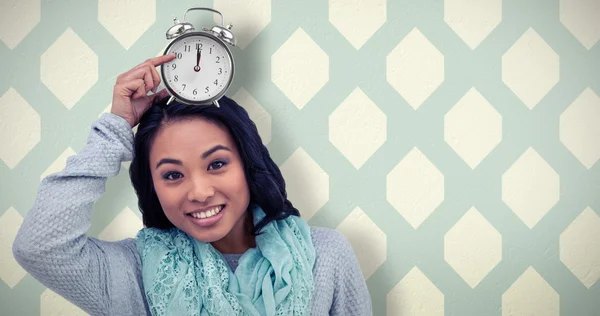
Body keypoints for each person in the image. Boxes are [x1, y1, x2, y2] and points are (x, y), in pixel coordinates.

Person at [12, 55, 372, 315]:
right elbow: (39, 246)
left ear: (248, 165)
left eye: (217, 164)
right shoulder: (132, 272)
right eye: (172, 175)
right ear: (153, 185)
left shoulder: (324, 256)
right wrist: (116, 127)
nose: (199, 192)